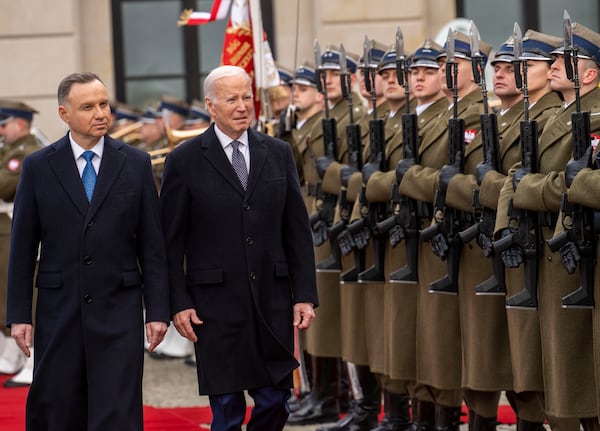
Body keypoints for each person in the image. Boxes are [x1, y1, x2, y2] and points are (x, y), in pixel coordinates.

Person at [6, 72, 170, 431]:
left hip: (120, 308)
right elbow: (22, 248)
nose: (100, 113)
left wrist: (158, 310)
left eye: (103, 104)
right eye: (87, 107)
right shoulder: (37, 167)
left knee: (118, 409)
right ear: (64, 114)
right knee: (60, 406)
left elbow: (152, 246)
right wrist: (19, 314)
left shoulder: (136, 163)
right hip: (58, 309)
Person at [160, 65, 318, 431]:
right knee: (228, 409)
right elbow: (170, 243)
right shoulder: (183, 161)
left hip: (272, 299)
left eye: (247, 96)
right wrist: (178, 303)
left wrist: (304, 294)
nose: (242, 105)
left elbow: (296, 230)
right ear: (211, 106)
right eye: (231, 99)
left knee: (275, 401)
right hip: (214, 306)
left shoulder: (278, 153)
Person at [0, 100, 45, 386]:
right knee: (5, 294)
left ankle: (34, 359)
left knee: (26, 296)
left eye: (4, 125)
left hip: (17, 229)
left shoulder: (27, 152)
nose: (2, 131)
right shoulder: (9, 151)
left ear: (19, 123)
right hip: (6, 229)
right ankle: (13, 354)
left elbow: (4, 185)